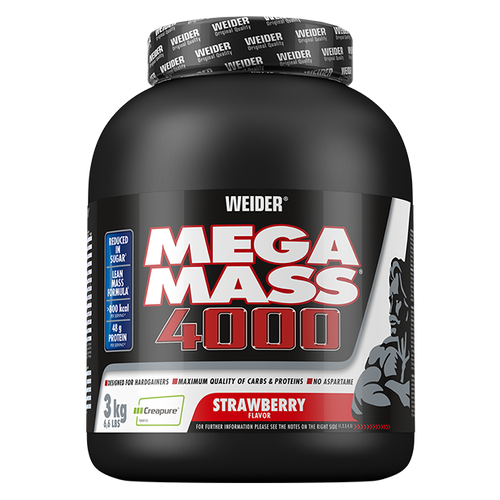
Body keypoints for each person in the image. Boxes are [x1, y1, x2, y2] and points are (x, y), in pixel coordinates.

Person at [352, 258, 412, 427]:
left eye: (398, 300)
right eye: (391, 300)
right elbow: (363, 399)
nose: (392, 311)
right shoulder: (381, 355)